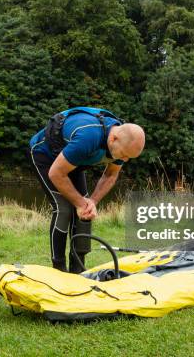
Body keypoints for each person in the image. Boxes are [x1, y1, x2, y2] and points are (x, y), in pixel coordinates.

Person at [29, 107, 145, 273]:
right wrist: (79, 202)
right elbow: (56, 173)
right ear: (113, 138)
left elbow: (110, 175)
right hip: (45, 157)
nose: (125, 159)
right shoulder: (88, 137)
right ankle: (59, 268)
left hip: (73, 160)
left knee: (85, 211)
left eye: (129, 157)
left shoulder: (122, 143)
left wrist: (92, 201)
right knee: (64, 209)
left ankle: (78, 267)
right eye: (124, 155)